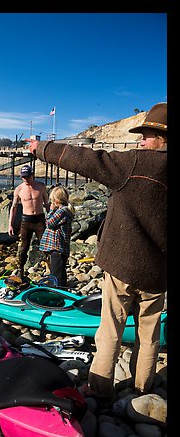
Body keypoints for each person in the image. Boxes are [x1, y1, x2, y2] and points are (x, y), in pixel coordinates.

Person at [28, 102, 167, 406]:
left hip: (123, 266)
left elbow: (87, 160)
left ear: (162, 138)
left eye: (146, 134)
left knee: (111, 329)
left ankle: (102, 390)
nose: (141, 140)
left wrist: (43, 148)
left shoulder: (136, 163)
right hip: (159, 272)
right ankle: (144, 390)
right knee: (149, 335)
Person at [8, 164, 50, 280]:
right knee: (23, 247)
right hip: (26, 221)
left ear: (32, 175)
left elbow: (47, 204)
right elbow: (14, 207)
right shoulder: (19, 189)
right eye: (23, 177)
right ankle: (21, 269)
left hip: (39, 220)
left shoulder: (41, 187)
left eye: (27, 177)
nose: (26, 179)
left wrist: (51, 218)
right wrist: (10, 225)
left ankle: (50, 269)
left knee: (46, 246)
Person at [39, 186, 75, 288]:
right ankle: (63, 290)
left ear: (56, 200)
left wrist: (50, 211)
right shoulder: (64, 210)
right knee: (60, 272)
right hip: (60, 247)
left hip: (57, 248)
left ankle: (58, 293)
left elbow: (49, 223)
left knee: (56, 274)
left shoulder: (62, 211)